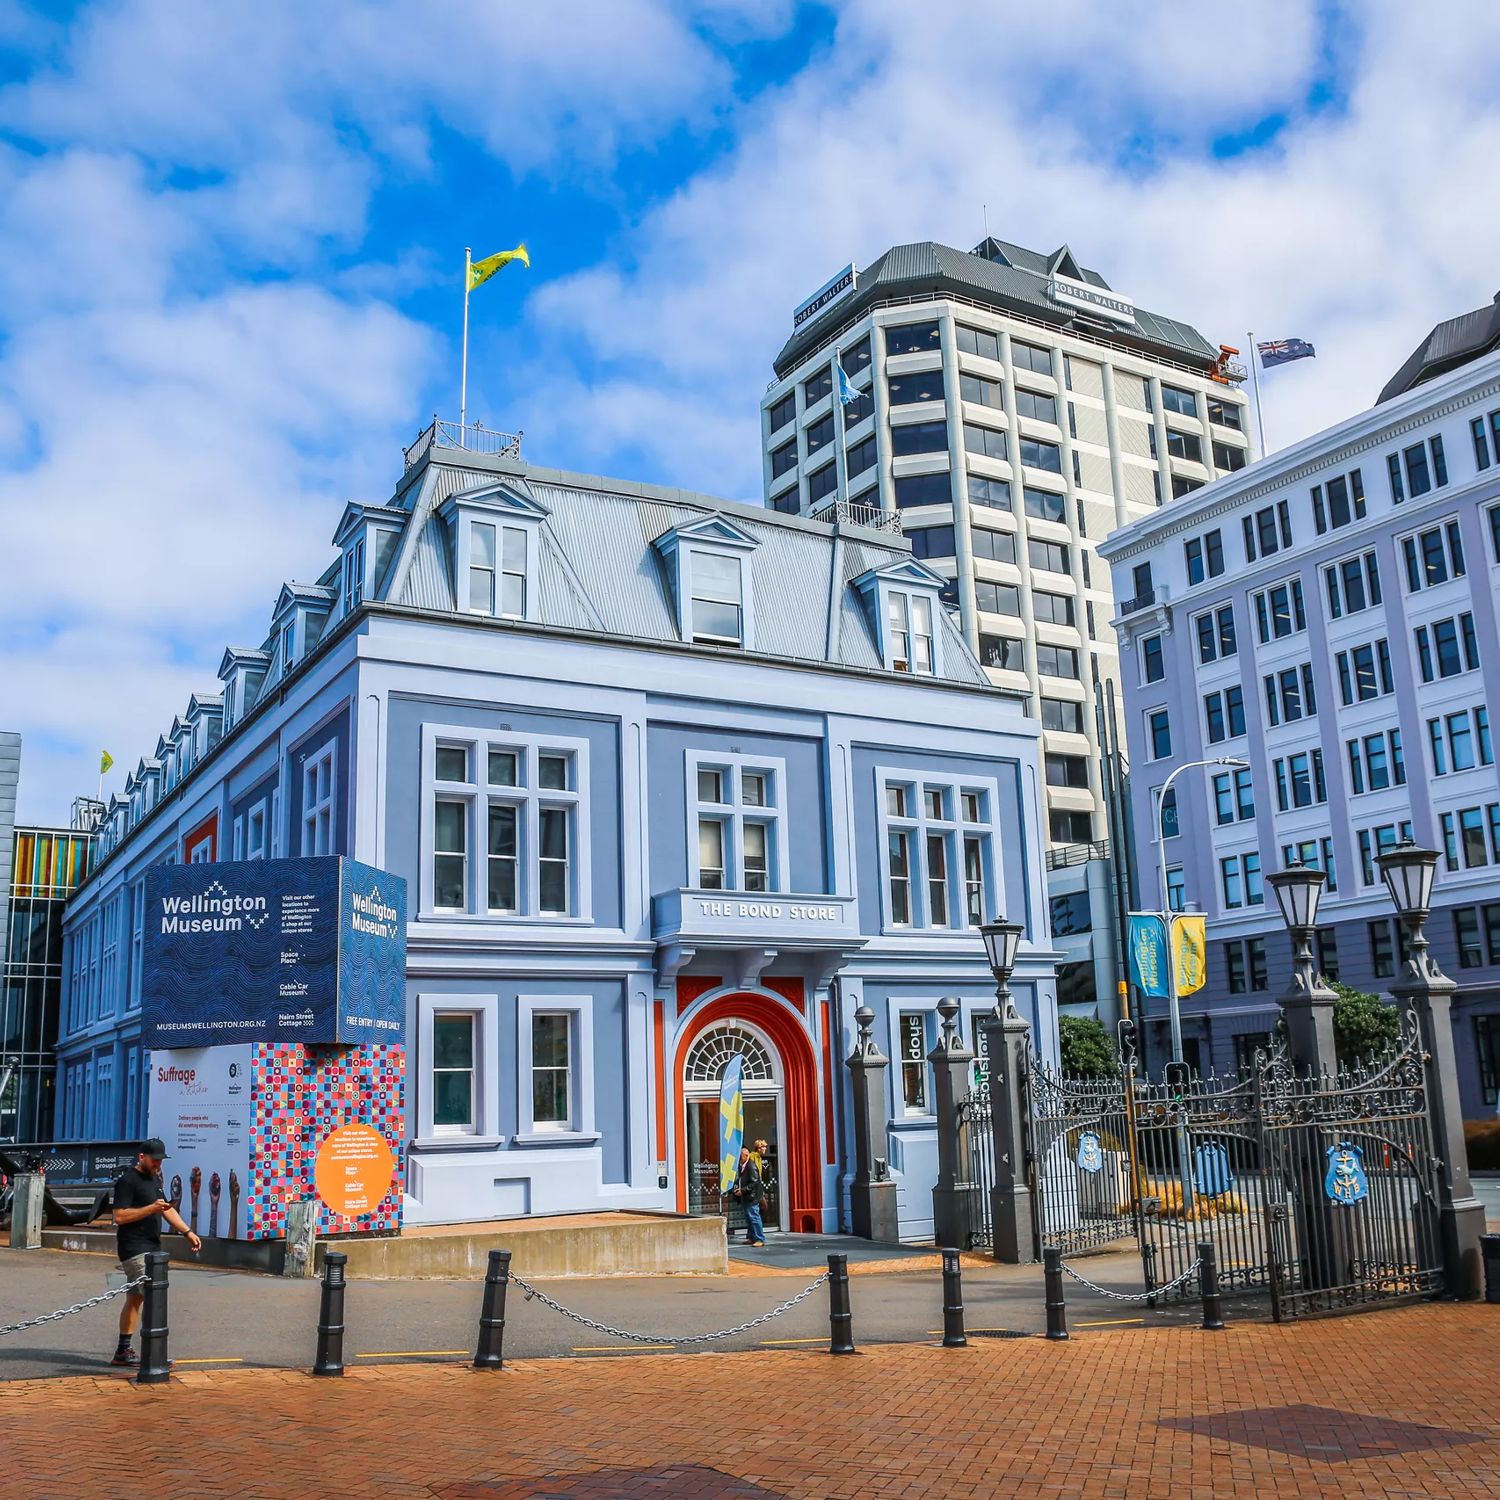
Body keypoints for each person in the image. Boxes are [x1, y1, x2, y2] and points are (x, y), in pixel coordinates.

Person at [110, 1138, 201, 1366]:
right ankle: (153, 1354)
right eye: (154, 1160)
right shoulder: (127, 1181)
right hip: (134, 1248)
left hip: (151, 1247)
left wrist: (187, 1232)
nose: (158, 1165)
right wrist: (150, 1208)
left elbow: (165, 1209)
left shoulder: (154, 1180)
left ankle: (123, 1349)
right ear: (142, 1157)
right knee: (152, 1299)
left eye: (161, 1161)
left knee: (136, 1298)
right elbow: (119, 1216)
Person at [734, 1145, 767, 1247]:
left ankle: (760, 1238)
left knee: (754, 1217)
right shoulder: (742, 1166)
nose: (739, 1158)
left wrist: (743, 1191)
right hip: (747, 1196)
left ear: (746, 1155)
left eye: (740, 1156)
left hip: (752, 1197)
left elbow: (755, 1182)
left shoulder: (750, 1166)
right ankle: (752, 1237)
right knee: (749, 1218)